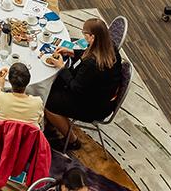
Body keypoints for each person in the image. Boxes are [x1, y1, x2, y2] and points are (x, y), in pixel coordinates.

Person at [44, 18, 123, 147]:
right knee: (56, 84)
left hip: (93, 106)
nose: (84, 37)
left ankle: (72, 141)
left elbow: (75, 87)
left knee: (48, 101)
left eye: (85, 35)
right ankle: (53, 124)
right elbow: (86, 57)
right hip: (100, 96)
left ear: (92, 37)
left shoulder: (92, 64)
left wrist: (61, 68)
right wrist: (72, 52)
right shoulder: (109, 47)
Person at [0, 62, 44, 127]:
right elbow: (39, 120)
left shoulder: (0, 97)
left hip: (1, 135)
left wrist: (0, 86)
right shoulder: (37, 102)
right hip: (27, 136)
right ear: (29, 80)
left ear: (9, 80)